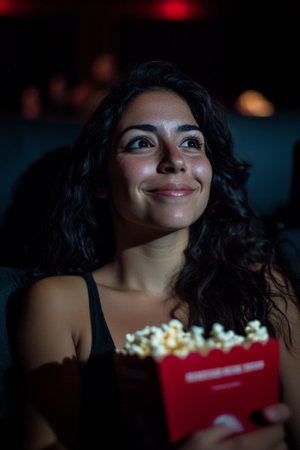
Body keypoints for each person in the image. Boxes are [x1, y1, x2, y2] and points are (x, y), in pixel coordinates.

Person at [16, 60, 300, 450]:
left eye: (190, 142)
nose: (175, 160)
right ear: (100, 178)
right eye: (141, 142)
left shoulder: (263, 283)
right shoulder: (61, 303)